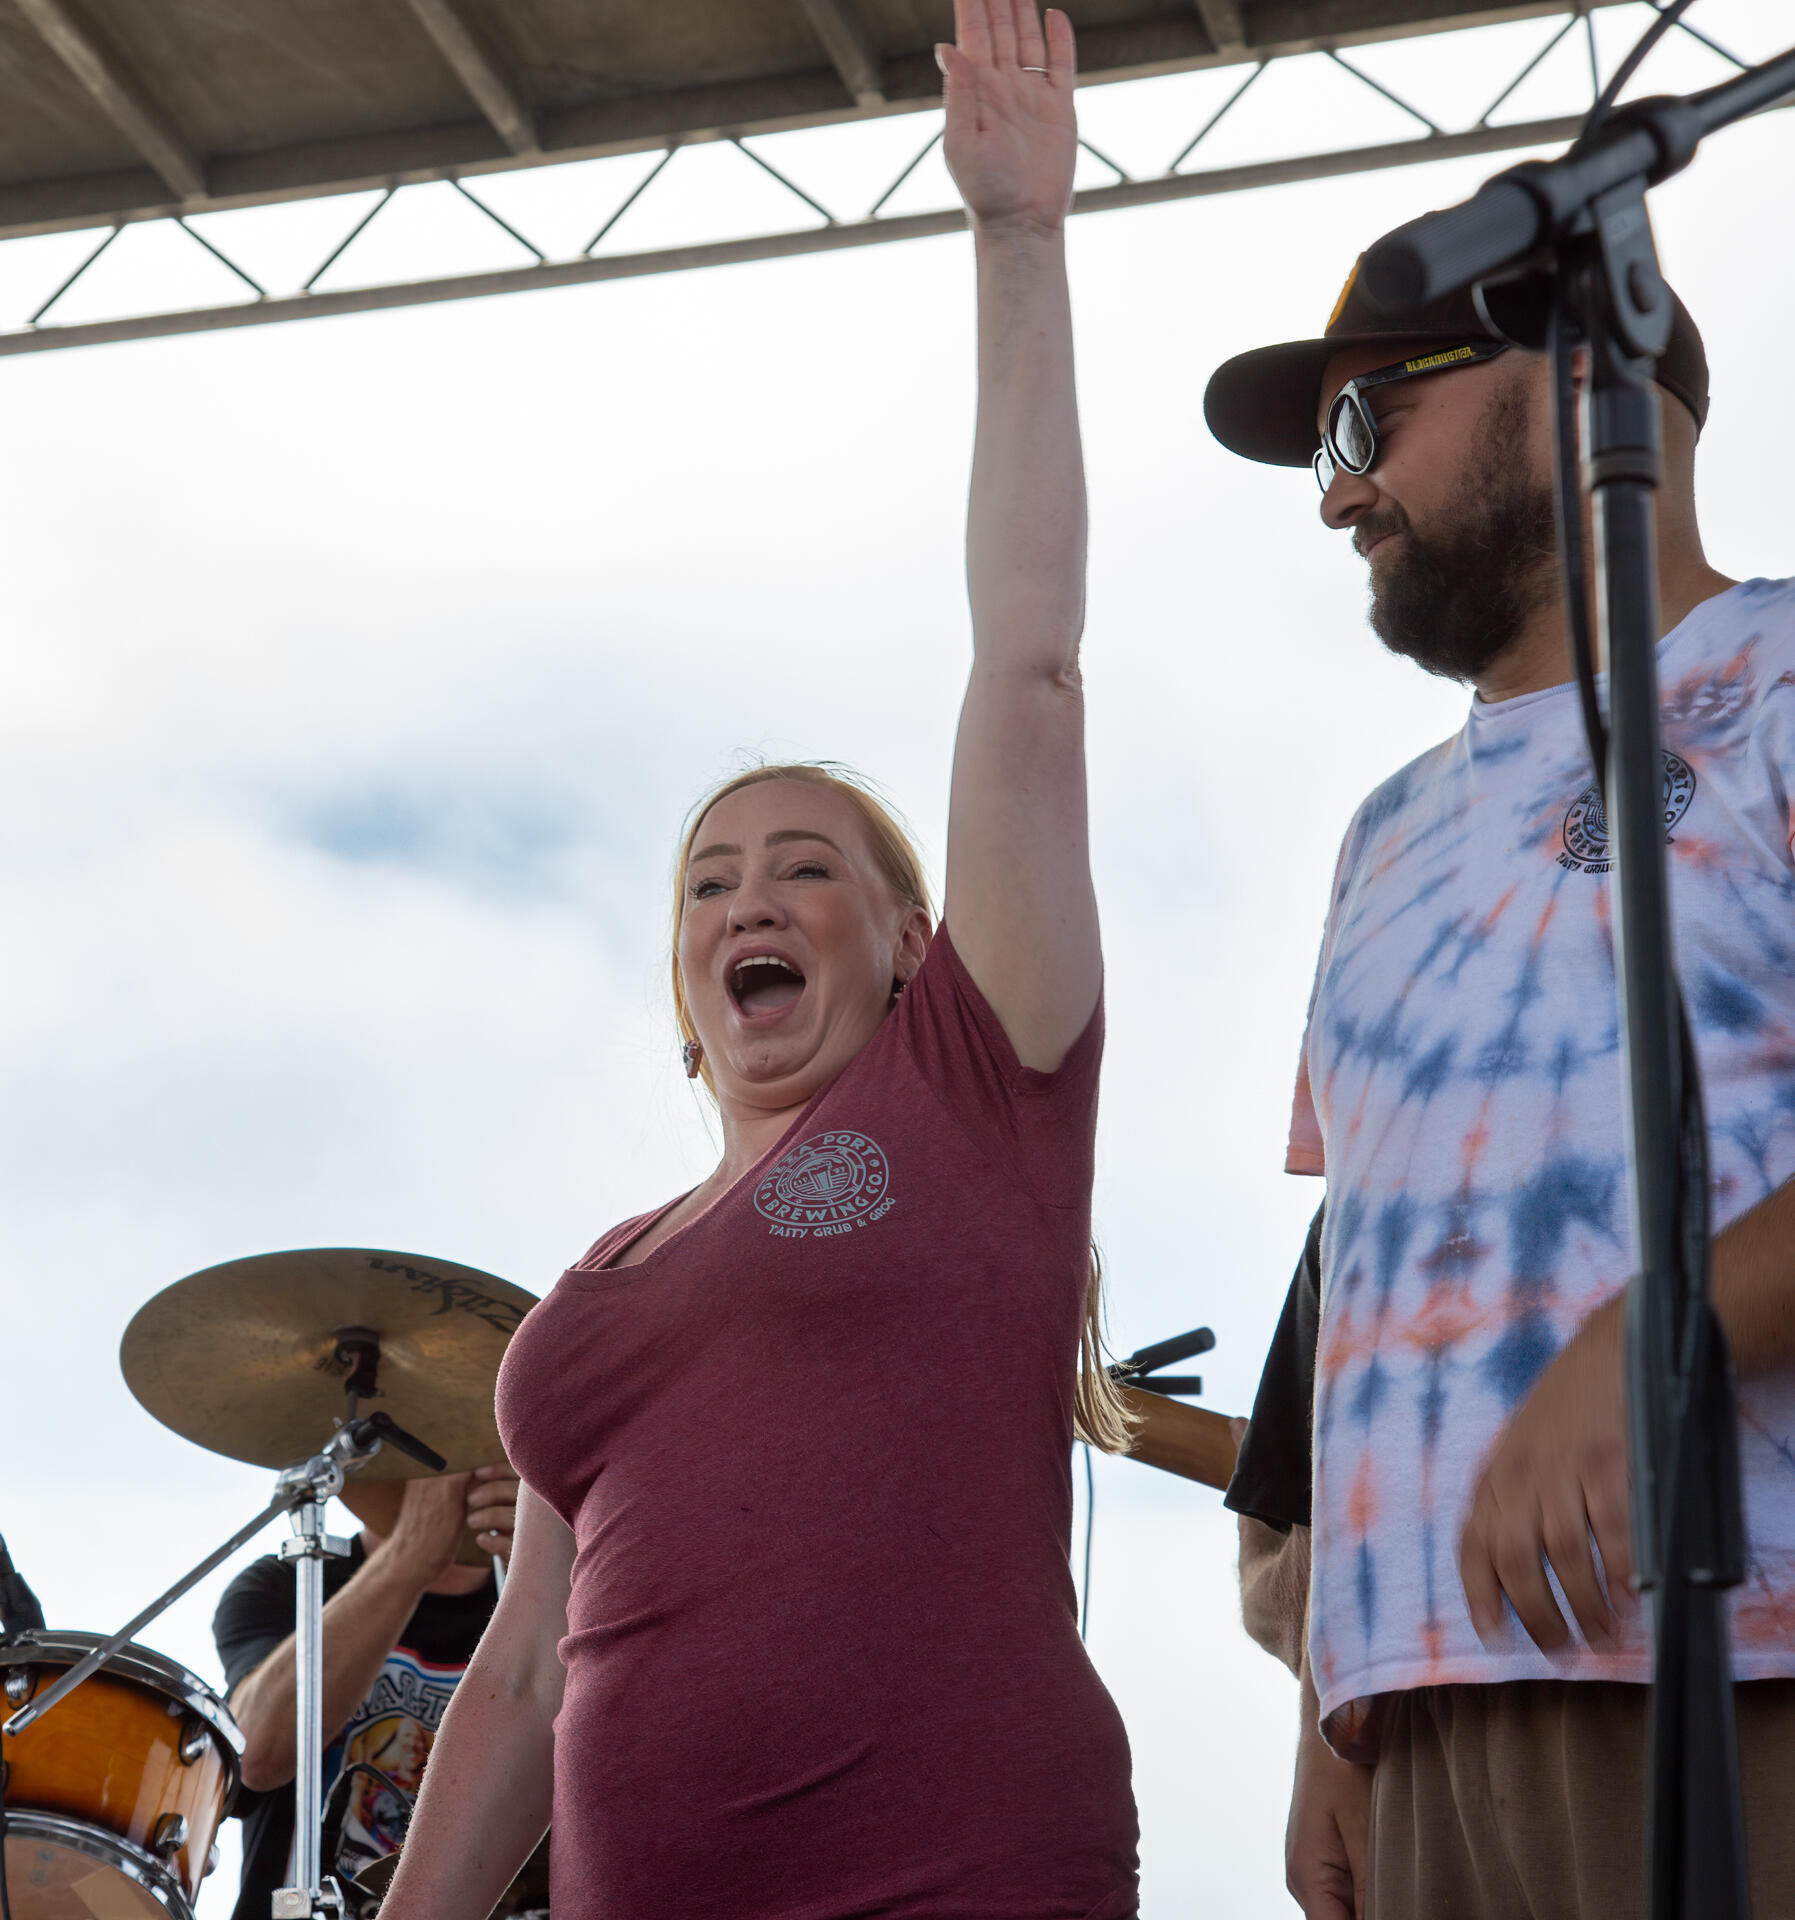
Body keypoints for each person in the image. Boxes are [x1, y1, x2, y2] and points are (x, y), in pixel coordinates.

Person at [375, 6, 1141, 1918]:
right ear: (682, 972)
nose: (749, 904)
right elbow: (530, 1673)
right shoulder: (600, 1283)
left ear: (911, 942)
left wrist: (1017, 239)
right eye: (711, 883)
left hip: (963, 1864)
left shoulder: (983, 1080)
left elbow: (1027, 666)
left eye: (807, 869)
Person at [1203, 237, 1795, 1918]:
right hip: (1428, 1732)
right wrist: (1337, 1673)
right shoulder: (1377, 839)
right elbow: (1369, 1282)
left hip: (1742, 1666)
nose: (1338, 499)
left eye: (1363, 426)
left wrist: (1657, 1335)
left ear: (1584, 378)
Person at [212, 1466, 527, 1920]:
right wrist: (411, 1554)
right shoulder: (289, 1582)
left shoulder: (561, 1598)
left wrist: (557, 1572)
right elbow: (255, 1756)